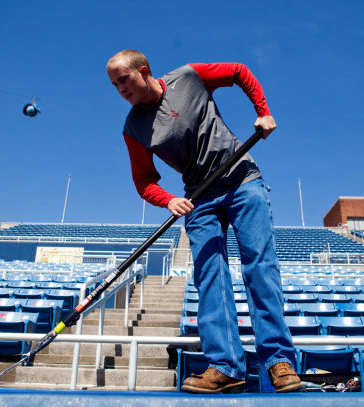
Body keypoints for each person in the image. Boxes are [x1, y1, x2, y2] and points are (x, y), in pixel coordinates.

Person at [106, 50, 302, 394]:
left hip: (242, 179)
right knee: (210, 275)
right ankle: (225, 366)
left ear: (144, 70)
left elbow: (239, 71)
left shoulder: (189, 76)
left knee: (259, 268)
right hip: (199, 197)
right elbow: (144, 181)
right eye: (114, 84)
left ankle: (279, 362)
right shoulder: (133, 128)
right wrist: (168, 200)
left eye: (123, 79)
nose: (120, 89)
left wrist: (263, 112)